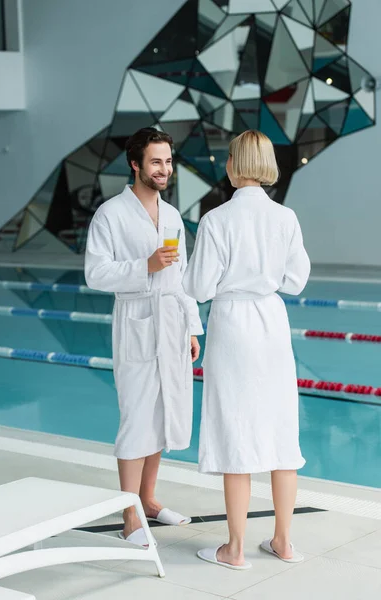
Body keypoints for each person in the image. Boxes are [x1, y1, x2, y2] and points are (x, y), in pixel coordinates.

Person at [183, 130, 310, 570]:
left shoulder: (217, 219)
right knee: (280, 431)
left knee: (235, 429)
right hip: (272, 325)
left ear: (235, 165)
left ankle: (234, 550)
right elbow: (296, 281)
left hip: (233, 325)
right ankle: (283, 542)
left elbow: (198, 287)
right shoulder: (285, 218)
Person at [85, 127, 203, 546]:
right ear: (135, 164)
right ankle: (129, 517)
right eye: (156, 161)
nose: (164, 169)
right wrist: (144, 265)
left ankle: (149, 500)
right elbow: (95, 272)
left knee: (164, 412)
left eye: (168, 161)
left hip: (171, 323)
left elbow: (183, 277)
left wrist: (191, 326)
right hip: (136, 322)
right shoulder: (111, 214)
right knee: (136, 417)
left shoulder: (171, 216)